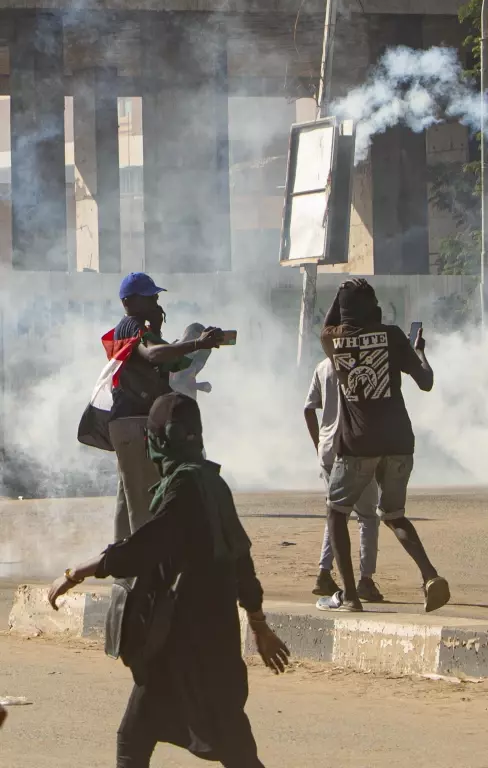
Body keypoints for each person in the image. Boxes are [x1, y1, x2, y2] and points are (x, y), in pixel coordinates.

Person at [47, 393, 290, 768]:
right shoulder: (212, 483)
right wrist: (257, 622)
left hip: (183, 643)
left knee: (149, 740)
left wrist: (79, 571)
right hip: (211, 642)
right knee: (207, 743)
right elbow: (241, 558)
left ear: (158, 441)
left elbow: (147, 546)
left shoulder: (183, 487)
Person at [316, 279, 449, 614]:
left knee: (336, 513)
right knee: (395, 515)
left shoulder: (334, 340)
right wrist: (419, 351)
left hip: (358, 445)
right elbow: (426, 382)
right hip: (400, 442)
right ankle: (430, 576)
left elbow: (328, 324)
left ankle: (350, 595)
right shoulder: (391, 336)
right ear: (374, 308)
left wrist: (339, 294)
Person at [109, 273, 223, 541]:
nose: (157, 300)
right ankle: (142, 574)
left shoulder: (141, 329)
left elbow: (162, 359)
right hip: (135, 421)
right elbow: (153, 355)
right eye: (150, 296)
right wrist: (197, 343)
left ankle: (124, 573)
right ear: (130, 301)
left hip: (131, 422)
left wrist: (158, 329)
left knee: (128, 502)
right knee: (143, 505)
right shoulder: (131, 325)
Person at [305, 357, 382, 602]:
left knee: (336, 513)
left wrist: (319, 444)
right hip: (355, 448)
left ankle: (324, 572)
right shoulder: (365, 363)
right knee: (368, 517)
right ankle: (365, 580)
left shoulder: (323, 365)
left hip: (328, 449)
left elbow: (309, 409)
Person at [170, 322, 215, 401]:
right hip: (175, 401)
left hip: (185, 401)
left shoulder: (195, 355)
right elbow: (173, 381)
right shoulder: (176, 353)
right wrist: (199, 386)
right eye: (195, 336)